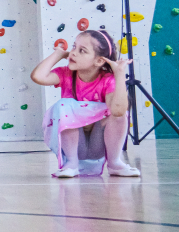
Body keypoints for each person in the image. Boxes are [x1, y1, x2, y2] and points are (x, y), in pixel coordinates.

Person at [31, 30, 139, 178]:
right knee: (63, 105)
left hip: (98, 145)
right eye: (74, 47)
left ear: (99, 61)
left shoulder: (107, 80)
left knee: (119, 113)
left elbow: (118, 111)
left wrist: (119, 75)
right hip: (77, 147)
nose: (73, 53)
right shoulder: (66, 74)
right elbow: (38, 77)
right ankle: (71, 164)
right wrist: (58, 54)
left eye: (82, 51)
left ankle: (115, 163)